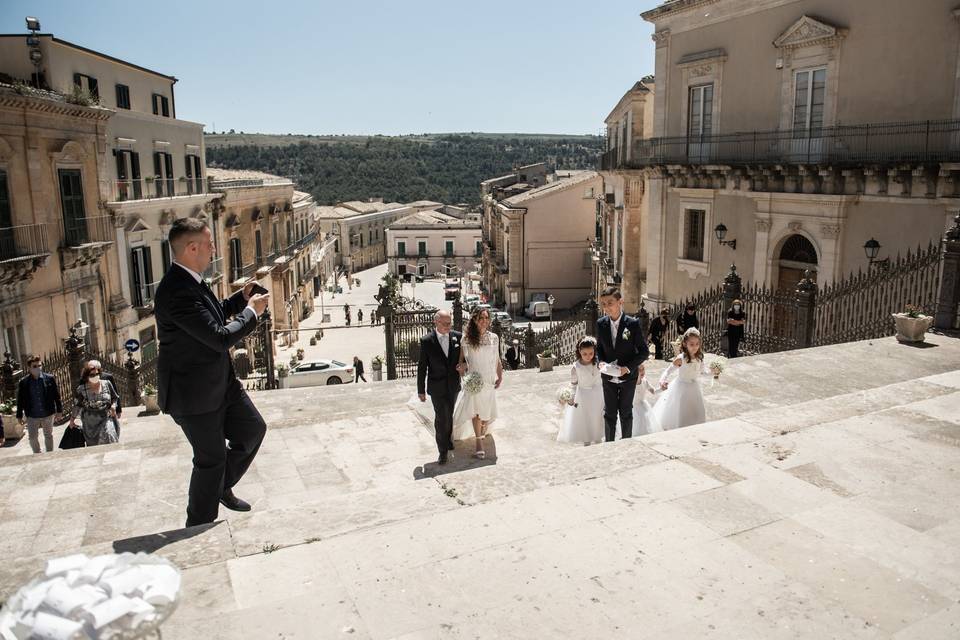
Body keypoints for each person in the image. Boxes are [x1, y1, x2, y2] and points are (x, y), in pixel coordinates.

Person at [154, 217, 269, 527]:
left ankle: (218, 487)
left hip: (221, 384)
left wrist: (238, 300)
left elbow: (211, 315)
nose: (214, 248)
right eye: (208, 243)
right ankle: (199, 526)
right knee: (211, 460)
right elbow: (219, 338)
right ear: (192, 248)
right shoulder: (176, 291)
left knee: (253, 430)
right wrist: (251, 313)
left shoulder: (190, 280)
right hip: (192, 395)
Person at [596, 287, 648, 442]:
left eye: (610, 303)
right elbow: (599, 349)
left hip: (628, 377)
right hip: (608, 377)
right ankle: (609, 444)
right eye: (603, 304)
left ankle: (626, 443)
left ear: (620, 302)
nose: (606, 307)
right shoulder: (601, 323)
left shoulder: (632, 324)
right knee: (609, 413)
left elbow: (644, 352)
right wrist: (600, 362)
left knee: (626, 412)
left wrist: (629, 367)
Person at [453, 308, 502, 459]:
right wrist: (462, 369)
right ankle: (479, 443)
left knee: (486, 412)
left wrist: (500, 375)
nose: (484, 321)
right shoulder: (466, 339)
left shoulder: (494, 337)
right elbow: (462, 362)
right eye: (481, 318)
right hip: (475, 379)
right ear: (474, 319)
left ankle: (482, 432)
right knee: (476, 412)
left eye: (486, 318)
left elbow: (497, 358)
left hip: (489, 379)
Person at [417, 310, 463, 465]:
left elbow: (465, 358)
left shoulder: (458, 337)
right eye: (445, 323)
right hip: (436, 387)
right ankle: (442, 451)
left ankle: (448, 439)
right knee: (441, 417)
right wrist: (421, 390)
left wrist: (463, 365)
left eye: (450, 323)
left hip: (453, 385)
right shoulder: (426, 341)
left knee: (449, 415)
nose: (448, 326)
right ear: (436, 322)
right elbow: (422, 367)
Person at [651, 327, 718, 431]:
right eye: (691, 344)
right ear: (685, 344)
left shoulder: (700, 357)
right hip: (681, 387)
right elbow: (668, 371)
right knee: (682, 411)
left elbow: (703, 372)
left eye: (697, 344)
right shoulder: (681, 358)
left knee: (695, 411)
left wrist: (712, 372)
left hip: (694, 387)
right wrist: (662, 380)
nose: (695, 347)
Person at [557, 336, 604, 446]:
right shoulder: (576, 367)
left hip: (599, 395)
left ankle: (598, 439)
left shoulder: (599, 363)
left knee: (597, 418)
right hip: (583, 397)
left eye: (591, 353)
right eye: (585, 354)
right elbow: (573, 385)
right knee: (585, 419)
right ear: (579, 352)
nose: (588, 356)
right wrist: (570, 397)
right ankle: (586, 441)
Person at [16, 355, 63, 454]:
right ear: (29, 368)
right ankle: (37, 454)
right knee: (32, 437)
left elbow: (56, 396)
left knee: (48, 435)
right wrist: (19, 416)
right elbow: (20, 400)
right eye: (35, 366)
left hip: (48, 413)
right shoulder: (24, 382)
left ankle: (49, 453)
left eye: (39, 365)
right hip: (32, 415)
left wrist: (59, 411)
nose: (38, 368)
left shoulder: (49, 378)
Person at [69, 361, 120, 446]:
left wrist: (114, 406)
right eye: (92, 375)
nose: (95, 377)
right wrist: (72, 420)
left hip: (106, 418)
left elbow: (115, 397)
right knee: (94, 447)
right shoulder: (81, 389)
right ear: (87, 376)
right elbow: (77, 405)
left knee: (109, 437)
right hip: (90, 424)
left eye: (97, 374)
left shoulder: (107, 384)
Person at [87, 360, 122, 437]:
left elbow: (115, 394)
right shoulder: (85, 379)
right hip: (93, 415)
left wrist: (118, 409)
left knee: (111, 433)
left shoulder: (108, 377)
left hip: (108, 412)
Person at [631, 369, 662, 436]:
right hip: (633, 407)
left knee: (645, 423)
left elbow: (653, 391)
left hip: (643, 406)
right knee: (636, 424)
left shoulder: (644, 381)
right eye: (640, 370)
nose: (642, 372)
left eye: (643, 369)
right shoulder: (630, 383)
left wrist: (661, 389)